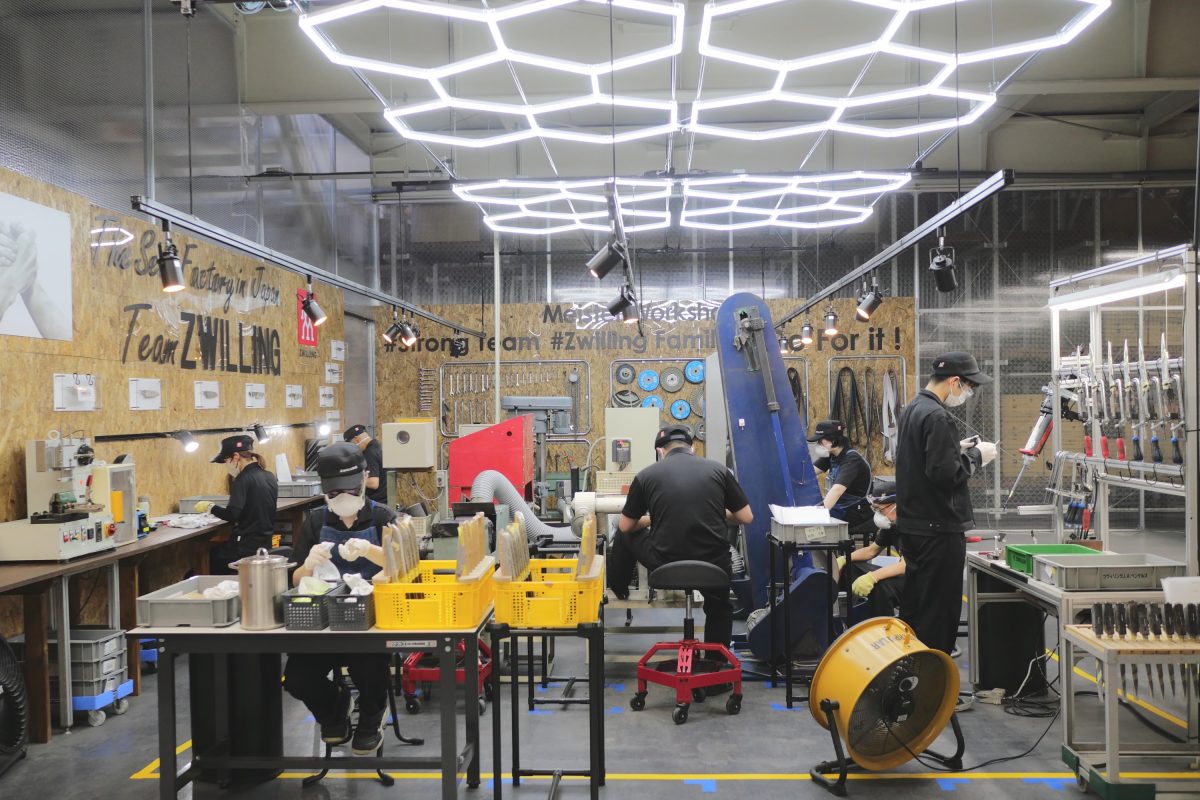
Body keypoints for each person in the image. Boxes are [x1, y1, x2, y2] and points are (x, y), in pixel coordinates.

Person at [608, 425, 754, 686]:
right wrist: (711, 511)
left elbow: (626, 526)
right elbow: (746, 517)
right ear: (692, 448)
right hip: (712, 567)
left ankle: (618, 588)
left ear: (660, 452)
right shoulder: (719, 470)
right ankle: (716, 671)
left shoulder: (646, 475)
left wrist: (653, 519)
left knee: (623, 535)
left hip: (665, 565)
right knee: (720, 608)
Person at [284, 442, 396, 755]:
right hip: (323, 625)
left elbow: (404, 570)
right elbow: (296, 581)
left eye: (348, 489)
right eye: (334, 493)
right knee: (298, 678)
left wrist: (371, 551)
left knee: (368, 668)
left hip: (370, 625)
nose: (342, 498)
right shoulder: (316, 522)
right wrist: (309, 564)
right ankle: (334, 708)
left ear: (364, 480)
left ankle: (372, 716)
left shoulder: (383, 518)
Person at [894, 351, 996, 655]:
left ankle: (911, 672)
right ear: (954, 381)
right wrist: (977, 456)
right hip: (938, 530)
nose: (968, 393)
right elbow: (945, 475)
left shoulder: (914, 408)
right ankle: (934, 678)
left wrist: (954, 448)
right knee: (938, 613)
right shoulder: (938, 416)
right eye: (969, 386)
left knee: (917, 605)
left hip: (914, 526)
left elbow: (922, 458)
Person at [196, 435, 279, 575]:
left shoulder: (242, 479)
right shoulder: (269, 476)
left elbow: (232, 514)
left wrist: (210, 507)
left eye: (226, 461)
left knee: (203, 562)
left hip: (244, 550)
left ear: (235, 457)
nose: (227, 465)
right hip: (264, 546)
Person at [807, 419, 874, 531]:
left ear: (834, 441)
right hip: (841, 506)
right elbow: (809, 473)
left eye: (820, 441)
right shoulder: (831, 455)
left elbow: (837, 490)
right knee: (808, 510)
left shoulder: (852, 459)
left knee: (811, 521)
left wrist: (820, 514)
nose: (818, 444)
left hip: (857, 511)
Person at [837, 525, 906, 620]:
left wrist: (873, 577)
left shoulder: (914, 527)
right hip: (905, 573)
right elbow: (871, 551)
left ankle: (881, 626)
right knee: (850, 567)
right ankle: (849, 617)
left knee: (881, 586)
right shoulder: (890, 526)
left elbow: (905, 565)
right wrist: (844, 559)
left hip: (920, 581)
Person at [344, 424, 388, 505]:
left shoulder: (369, 453)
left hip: (376, 503)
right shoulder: (378, 447)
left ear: (357, 439)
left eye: (351, 445)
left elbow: (373, 483)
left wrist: (351, 480)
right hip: (385, 501)